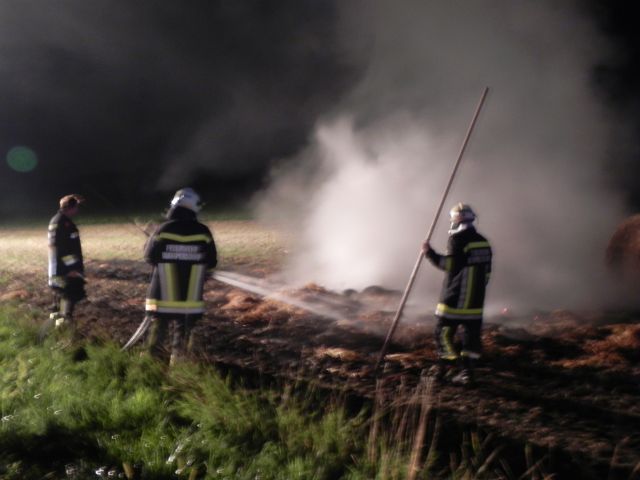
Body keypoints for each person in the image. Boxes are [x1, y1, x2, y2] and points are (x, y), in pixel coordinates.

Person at [143, 187, 217, 364]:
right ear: (194, 207)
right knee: (183, 330)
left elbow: (149, 257)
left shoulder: (163, 229)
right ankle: (179, 365)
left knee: (158, 328)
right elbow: (212, 261)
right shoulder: (203, 232)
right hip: (189, 299)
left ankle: (149, 364)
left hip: (162, 296)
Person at [422, 203, 492, 386]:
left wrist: (429, 253)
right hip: (475, 301)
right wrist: (477, 290)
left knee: (442, 333)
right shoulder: (483, 241)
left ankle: (449, 367)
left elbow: (450, 265)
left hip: (454, 297)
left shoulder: (457, 240)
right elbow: (487, 273)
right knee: (471, 337)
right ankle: (467, 373)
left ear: (456, 220)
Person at [47, 194, 87, 333]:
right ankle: (64, 327)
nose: (77, 210)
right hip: (64, 270)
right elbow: (63, 249)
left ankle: (54, 324)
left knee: (60, 295)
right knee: (71, 293)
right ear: (71, 207)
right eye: (76, 206)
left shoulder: (55, 220)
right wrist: (71, 269)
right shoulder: (64, 224)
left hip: (55, 269)